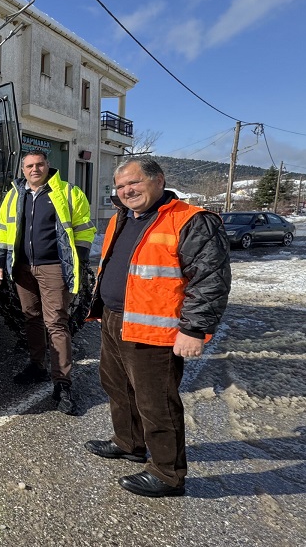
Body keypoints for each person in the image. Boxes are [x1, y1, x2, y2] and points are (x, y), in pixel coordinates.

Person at [85, 156, 231, 498]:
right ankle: (129, 443)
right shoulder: (122, 218)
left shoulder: (190, 220)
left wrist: (194, 329)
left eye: (133, 183)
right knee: (117, 387)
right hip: (115, 318)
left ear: (158, 180)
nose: (126, 191)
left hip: (154, 329)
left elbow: (211, 280)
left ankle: (167, 473)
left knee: (156, 402)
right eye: (120, 186)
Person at [0, 149, 96, 415]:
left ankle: (63, 383)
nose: (34, 169)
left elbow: (84, 228)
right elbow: (2, 229)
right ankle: (36, 366)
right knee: (31, 318)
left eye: (39, 165)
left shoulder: (69, 193)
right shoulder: (15, 195)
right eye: (29, 166)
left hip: (53, 268)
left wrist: (78, 262)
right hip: (23, 267)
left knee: (56, 322)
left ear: (48, 166)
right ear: (23, 169)